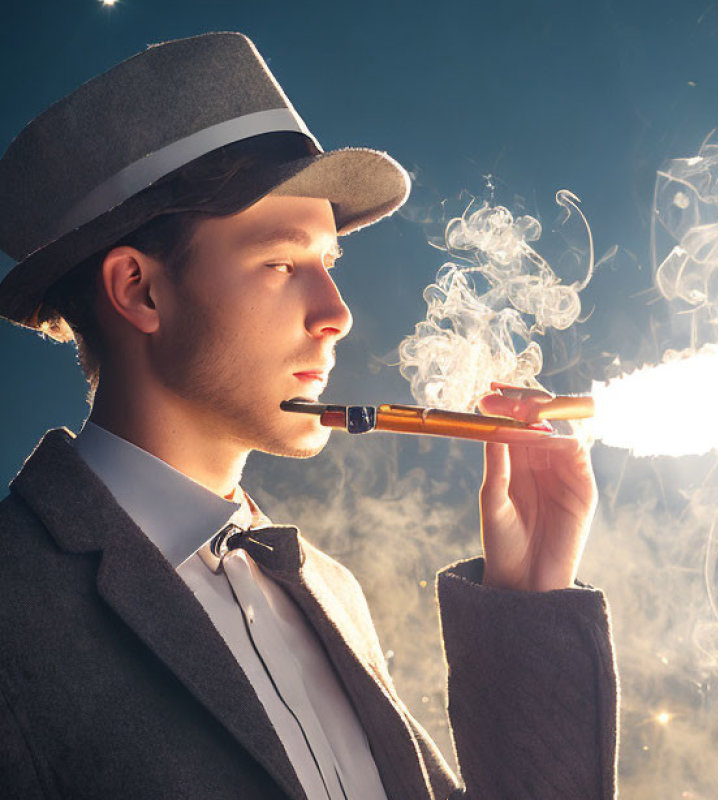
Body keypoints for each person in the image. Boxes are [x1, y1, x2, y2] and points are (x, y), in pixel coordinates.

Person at [0, 32, 618, 800]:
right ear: (139, 290)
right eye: (283, 263)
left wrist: (529, 599)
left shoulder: (327, 590)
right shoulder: (15, 602)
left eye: (330, 265)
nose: (336, 314)